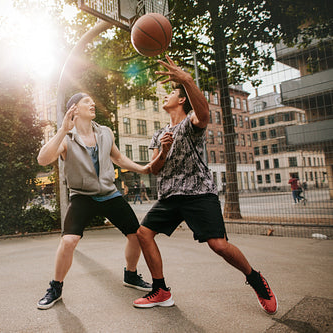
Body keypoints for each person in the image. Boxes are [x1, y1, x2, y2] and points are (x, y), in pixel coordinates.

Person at [133, 55, 278, 315]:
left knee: (218, 245)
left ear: (181, 100)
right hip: (170, 195)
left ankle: (256, 279)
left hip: (199, 192)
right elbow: (155, 169)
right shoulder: (159, 134)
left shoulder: (191, 124)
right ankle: (161, 290)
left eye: (172, 92)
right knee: (143, 233)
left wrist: (186, 79)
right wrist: (163, 151)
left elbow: (204, 113)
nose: (165, 96)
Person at [36, 92, 152, 310]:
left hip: (109, 193)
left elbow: (118, 158)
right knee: (69, 241)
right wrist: (63, 130)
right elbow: (43, 159)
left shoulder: (106, 132)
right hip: (82, 196)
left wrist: (142, 168)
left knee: (136, 235)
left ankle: (131, 274)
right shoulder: (66, 139)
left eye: (92, 101)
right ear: (74, 109)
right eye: (86, 101)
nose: (92, 104)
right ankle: (56, 287)